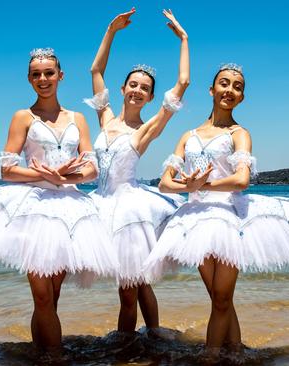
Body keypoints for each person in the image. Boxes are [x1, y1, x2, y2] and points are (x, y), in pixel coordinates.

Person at [0, 48, 118, 356]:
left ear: (60, 76)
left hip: (69, 210)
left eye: (49, 73)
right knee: (41, 297)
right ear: (29, 79)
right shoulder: (22, 117)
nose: (43, 79)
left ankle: (40, 355)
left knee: (52, 297)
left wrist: (65, 179)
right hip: (32, 208)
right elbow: (7, 168)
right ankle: (54, 359)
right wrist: (47, 176)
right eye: (36, 74)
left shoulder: (78, 118)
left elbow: (92, 167)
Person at [144, 63, 289, 360]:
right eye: (224, 84)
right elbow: (164, 183)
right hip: (194, 221)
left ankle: (210, 356)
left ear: (241, 98)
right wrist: (190, 187)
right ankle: (236, 350)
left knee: (223, 296)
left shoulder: (240, 134)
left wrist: (203, 183)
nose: (230, 90)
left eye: (237, 87)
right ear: (212, 90)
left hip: (230, 218)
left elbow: (241, 179)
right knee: (217, 297)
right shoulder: (188, 136)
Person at [84, 8, 189, 333]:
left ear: (150, 96)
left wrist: (184, 39)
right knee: (140, 283)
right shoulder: (105, 117)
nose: (137, 90)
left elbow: (182, 83)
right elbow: (95, 69)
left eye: (144, 88)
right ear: (123, 88)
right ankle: (154, 336)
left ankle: (125, 347)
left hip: (128, 212)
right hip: (98, 203)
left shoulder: (146, 130)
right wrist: (111, 30)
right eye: (132, 84)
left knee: (128, 291)